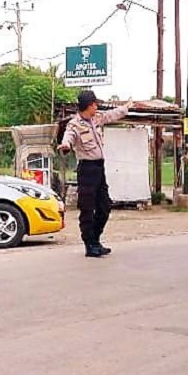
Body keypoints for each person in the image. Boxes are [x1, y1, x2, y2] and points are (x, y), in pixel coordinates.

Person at [58, 91, 134, 258]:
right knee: (87, 209)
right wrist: (65, 145)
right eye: (94, 104)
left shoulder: (96, 118)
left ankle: (95, 240)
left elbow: (111, 115)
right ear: (89, 105)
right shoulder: (74, 124)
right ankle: (89, 244)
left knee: (105, 206)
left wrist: (126, 107)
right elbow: (68, 137)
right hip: (86, 170)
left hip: (99, 168)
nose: (97, 107)